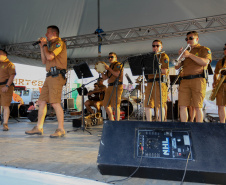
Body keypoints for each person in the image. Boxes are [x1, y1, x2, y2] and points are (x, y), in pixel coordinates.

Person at [25, 25, 67, 137]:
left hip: (57, 75)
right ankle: (39, 127)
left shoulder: (59, 43)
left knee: (55, 102)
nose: (45, 35)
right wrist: (41, 46)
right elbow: (44, 60)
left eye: (47, 33)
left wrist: (44, 45)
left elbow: (50, 57)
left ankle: (61, 129)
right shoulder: (49, 46)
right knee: (41, 101)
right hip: (49, 76)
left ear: (54, 33)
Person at [176, 31, 212, 122]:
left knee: (197, 106)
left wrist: (190, 55)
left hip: (198, 79)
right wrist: (180, 57)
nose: (188, 40)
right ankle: (185, 127)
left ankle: (198, 129)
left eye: (191, 38)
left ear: (197, 39)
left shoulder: (203, 49)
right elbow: (176, 66)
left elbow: (205, 62)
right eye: (187, 39)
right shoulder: (186, 52)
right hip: (184, 80)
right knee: (182, 105)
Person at [145, 40, 169, 121]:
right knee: (147, 104)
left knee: (160, 105)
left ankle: (160, 123)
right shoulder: (149, 57)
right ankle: (149, 123)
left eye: (157, 46)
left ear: (161, 47)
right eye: (153, 46)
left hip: (159, 82)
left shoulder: (163, 56)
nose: (155, 47)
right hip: (150, 82)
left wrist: (155, 68)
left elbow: (165, 71)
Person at [101, 52, 123, 121]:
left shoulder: (118, 65)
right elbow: (105, 78)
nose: (110, 58)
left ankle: (117, 122)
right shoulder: (110, 66)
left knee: (116, 106)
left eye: (112, 57)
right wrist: (101, 71)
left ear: (116, 58)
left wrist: (109, 69)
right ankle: (111, 120)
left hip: (117, 86)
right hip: (109, 86)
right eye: (109, 57)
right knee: (106, 105)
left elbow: (117, 74)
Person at [0, 49, 16, 131]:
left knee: (5, 105)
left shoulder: (10, 64)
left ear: (4, 55)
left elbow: (12, 76)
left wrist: (7, 85)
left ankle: (5, 123)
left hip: (6, 86)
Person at [212, 43, 226, 123]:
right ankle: (222, 125)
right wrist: (214, 81)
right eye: (224, 49)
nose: (225, 50)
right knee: (221, 106)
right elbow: (216, 73)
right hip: (221, 85)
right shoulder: (220, 62)